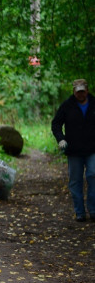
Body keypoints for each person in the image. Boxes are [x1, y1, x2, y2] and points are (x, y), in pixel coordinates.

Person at [51, 79, 95, 222]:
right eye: (78, 92)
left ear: (87, 91)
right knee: (75, 181)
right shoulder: (67, 105)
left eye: (83, 91)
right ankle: (80, 212)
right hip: (74, 150)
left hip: (92, 148)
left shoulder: (94, 103)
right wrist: (61, 139)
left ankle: (93, 210)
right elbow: (56, 123)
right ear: (74, 92)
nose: (81, 94)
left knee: (93, 175)